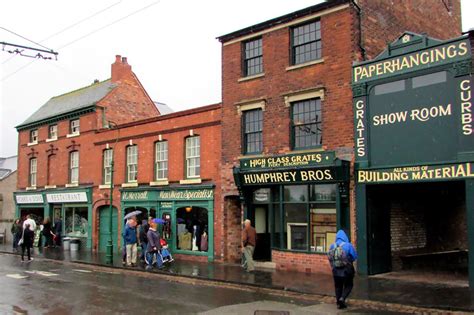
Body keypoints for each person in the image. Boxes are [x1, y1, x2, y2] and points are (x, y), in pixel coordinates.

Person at [327, 230, 358, 310]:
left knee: (338, 286)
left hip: (335, 270)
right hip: (346, 270)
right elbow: (354, 257)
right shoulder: (348, 245)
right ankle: (342, 298)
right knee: (349, 285)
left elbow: (329, 257)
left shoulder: (332, 246)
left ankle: (338, 303)